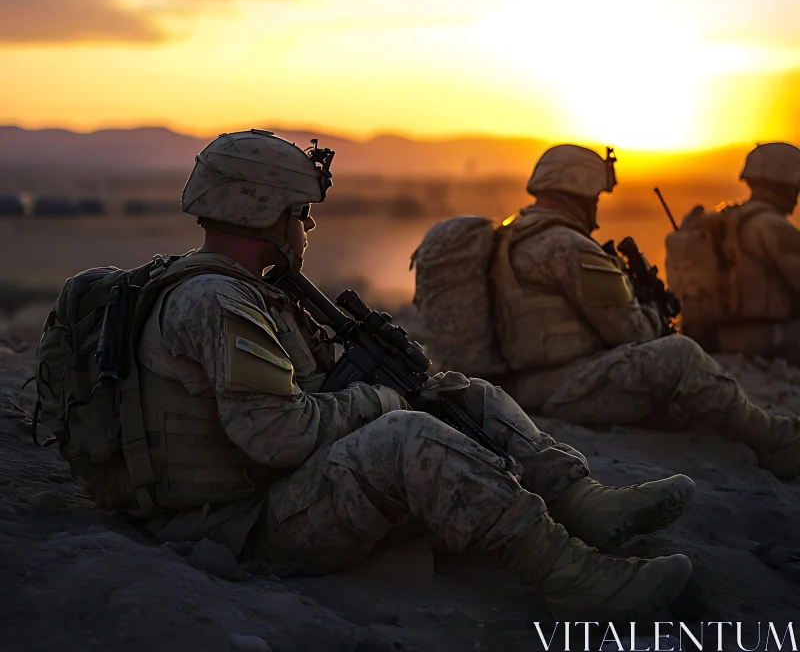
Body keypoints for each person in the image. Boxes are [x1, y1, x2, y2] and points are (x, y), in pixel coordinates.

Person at [130, 130, 695, 620]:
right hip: (239, 525)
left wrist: (400, 391)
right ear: (262, 211)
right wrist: (376, 402)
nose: (307, 225)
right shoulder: (216, 301)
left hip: (269, 493)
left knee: (462, 396)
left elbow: (306, 393)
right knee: (405, 435)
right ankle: (573, 578)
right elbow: (275, 434)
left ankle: (583, 503)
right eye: (299, 211)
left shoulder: (258, 291)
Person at [489, 144, 800, 481]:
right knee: (678, 356)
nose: (596, 206)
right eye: (596, 196)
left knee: (681, 402)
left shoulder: (510, 232)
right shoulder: (568, 245)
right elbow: (630, 331)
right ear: (581, 191)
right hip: (564, 386)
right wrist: (653, 312)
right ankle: (774, 439)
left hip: (531, 384)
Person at [665, 142, 800, 365]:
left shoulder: (725, 220)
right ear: (787, 183)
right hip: (764, 339)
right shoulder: (771, 226)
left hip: (714, 339)